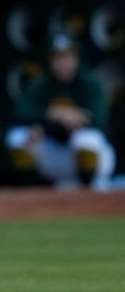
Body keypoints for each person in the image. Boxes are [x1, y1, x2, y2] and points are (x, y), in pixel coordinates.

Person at [6, 33, 117, 191]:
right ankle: (32, 195)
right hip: (55, 157)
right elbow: (19, 113)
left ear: (78, 58)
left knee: (87, 139)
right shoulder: (40, 84)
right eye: (57, 59)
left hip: (94, 157)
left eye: (68, 57)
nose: (63, 64)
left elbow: (98, 120)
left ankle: (89, 191)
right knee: (18, 137)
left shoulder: (91, 83)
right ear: (49, 61)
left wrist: (55, 123)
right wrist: (52, 114)